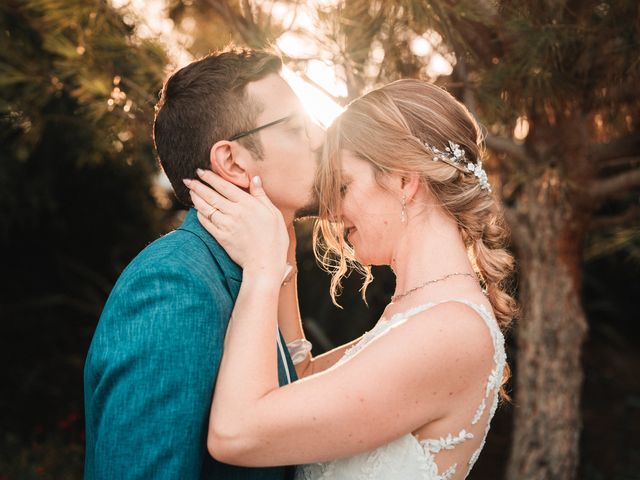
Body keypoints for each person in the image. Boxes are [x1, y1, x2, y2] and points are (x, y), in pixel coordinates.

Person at [184, 78, 516, 479]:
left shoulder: (450, 329)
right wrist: (282, 243)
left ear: (403, 181)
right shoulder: (420, 312)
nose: (332, 211)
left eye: (343, 185)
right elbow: (299, 382)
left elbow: (236, 434)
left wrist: (262, 272)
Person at [83, 47, 323, 479]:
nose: (320, 138)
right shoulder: (173, 285)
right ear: (231, 160)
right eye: (295, 127)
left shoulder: (249, 272)